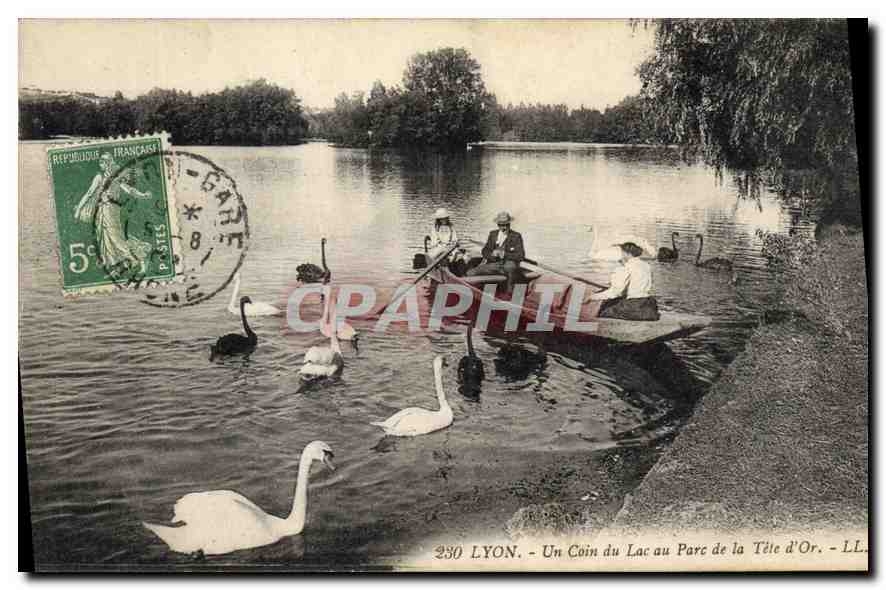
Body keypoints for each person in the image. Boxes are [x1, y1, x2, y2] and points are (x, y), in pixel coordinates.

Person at [74, 152, 154, 273]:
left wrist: (142, 195)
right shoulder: (99, 177)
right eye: (101, 162)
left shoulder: (116, 177)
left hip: (111, 210)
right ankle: (119, 265)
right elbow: (89, 193)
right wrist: (79, 208)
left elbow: (129, 189)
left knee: (116, 237)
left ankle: (141, 258)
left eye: (104, 162)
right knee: (106, 238)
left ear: (109, 163)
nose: (102, 164)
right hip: (102, 210)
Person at [585, 242, 659, 321]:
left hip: (635, 305)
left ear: (627, 254)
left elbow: (615, 293)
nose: (621, 255)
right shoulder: (646, 265)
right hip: (648, 304)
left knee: (604, 310)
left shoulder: (626, 267)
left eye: (622, 252)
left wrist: (591, 297)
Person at [467, 211, 525, 291]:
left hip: (508, 267)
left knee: (511, 268)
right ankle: (480, 291)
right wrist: (492, 254)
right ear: (498, 224)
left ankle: (509, 293)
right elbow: (484, 251)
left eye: (506, 224)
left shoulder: (516, 236)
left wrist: (504, 254)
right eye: (501, 225)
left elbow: (521, 256)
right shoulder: (493, 234)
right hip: (493, 265)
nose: (504, 227)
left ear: (509, 224)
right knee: (470, 273)